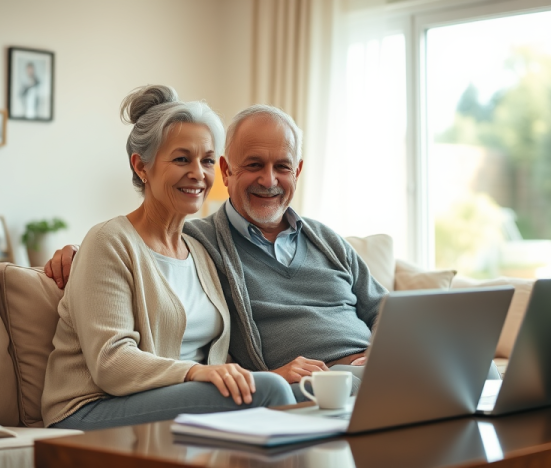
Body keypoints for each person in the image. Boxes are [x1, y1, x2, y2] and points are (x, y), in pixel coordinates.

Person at [46, 104, 386, 401]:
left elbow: (384, 308)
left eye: (282, 167)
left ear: (296, 172)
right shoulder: (205, 241)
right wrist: (76, 251)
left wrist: (384, 351)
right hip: (312, 383)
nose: (269, 180)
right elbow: (133, 244)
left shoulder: (326, 240)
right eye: (254, 165)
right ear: (227, 172)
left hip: (374, 365)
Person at [41, 86, 295, 431]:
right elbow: (111, 362)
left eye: (207, 160)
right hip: (91, 408)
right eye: (181, 159)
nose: (198, 173)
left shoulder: (200, 251)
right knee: (270, 392)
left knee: (287, 389)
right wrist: (196, 373)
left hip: (170, 396)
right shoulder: (109, 242)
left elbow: (217, 357)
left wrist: (260, 373)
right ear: (141, 166)